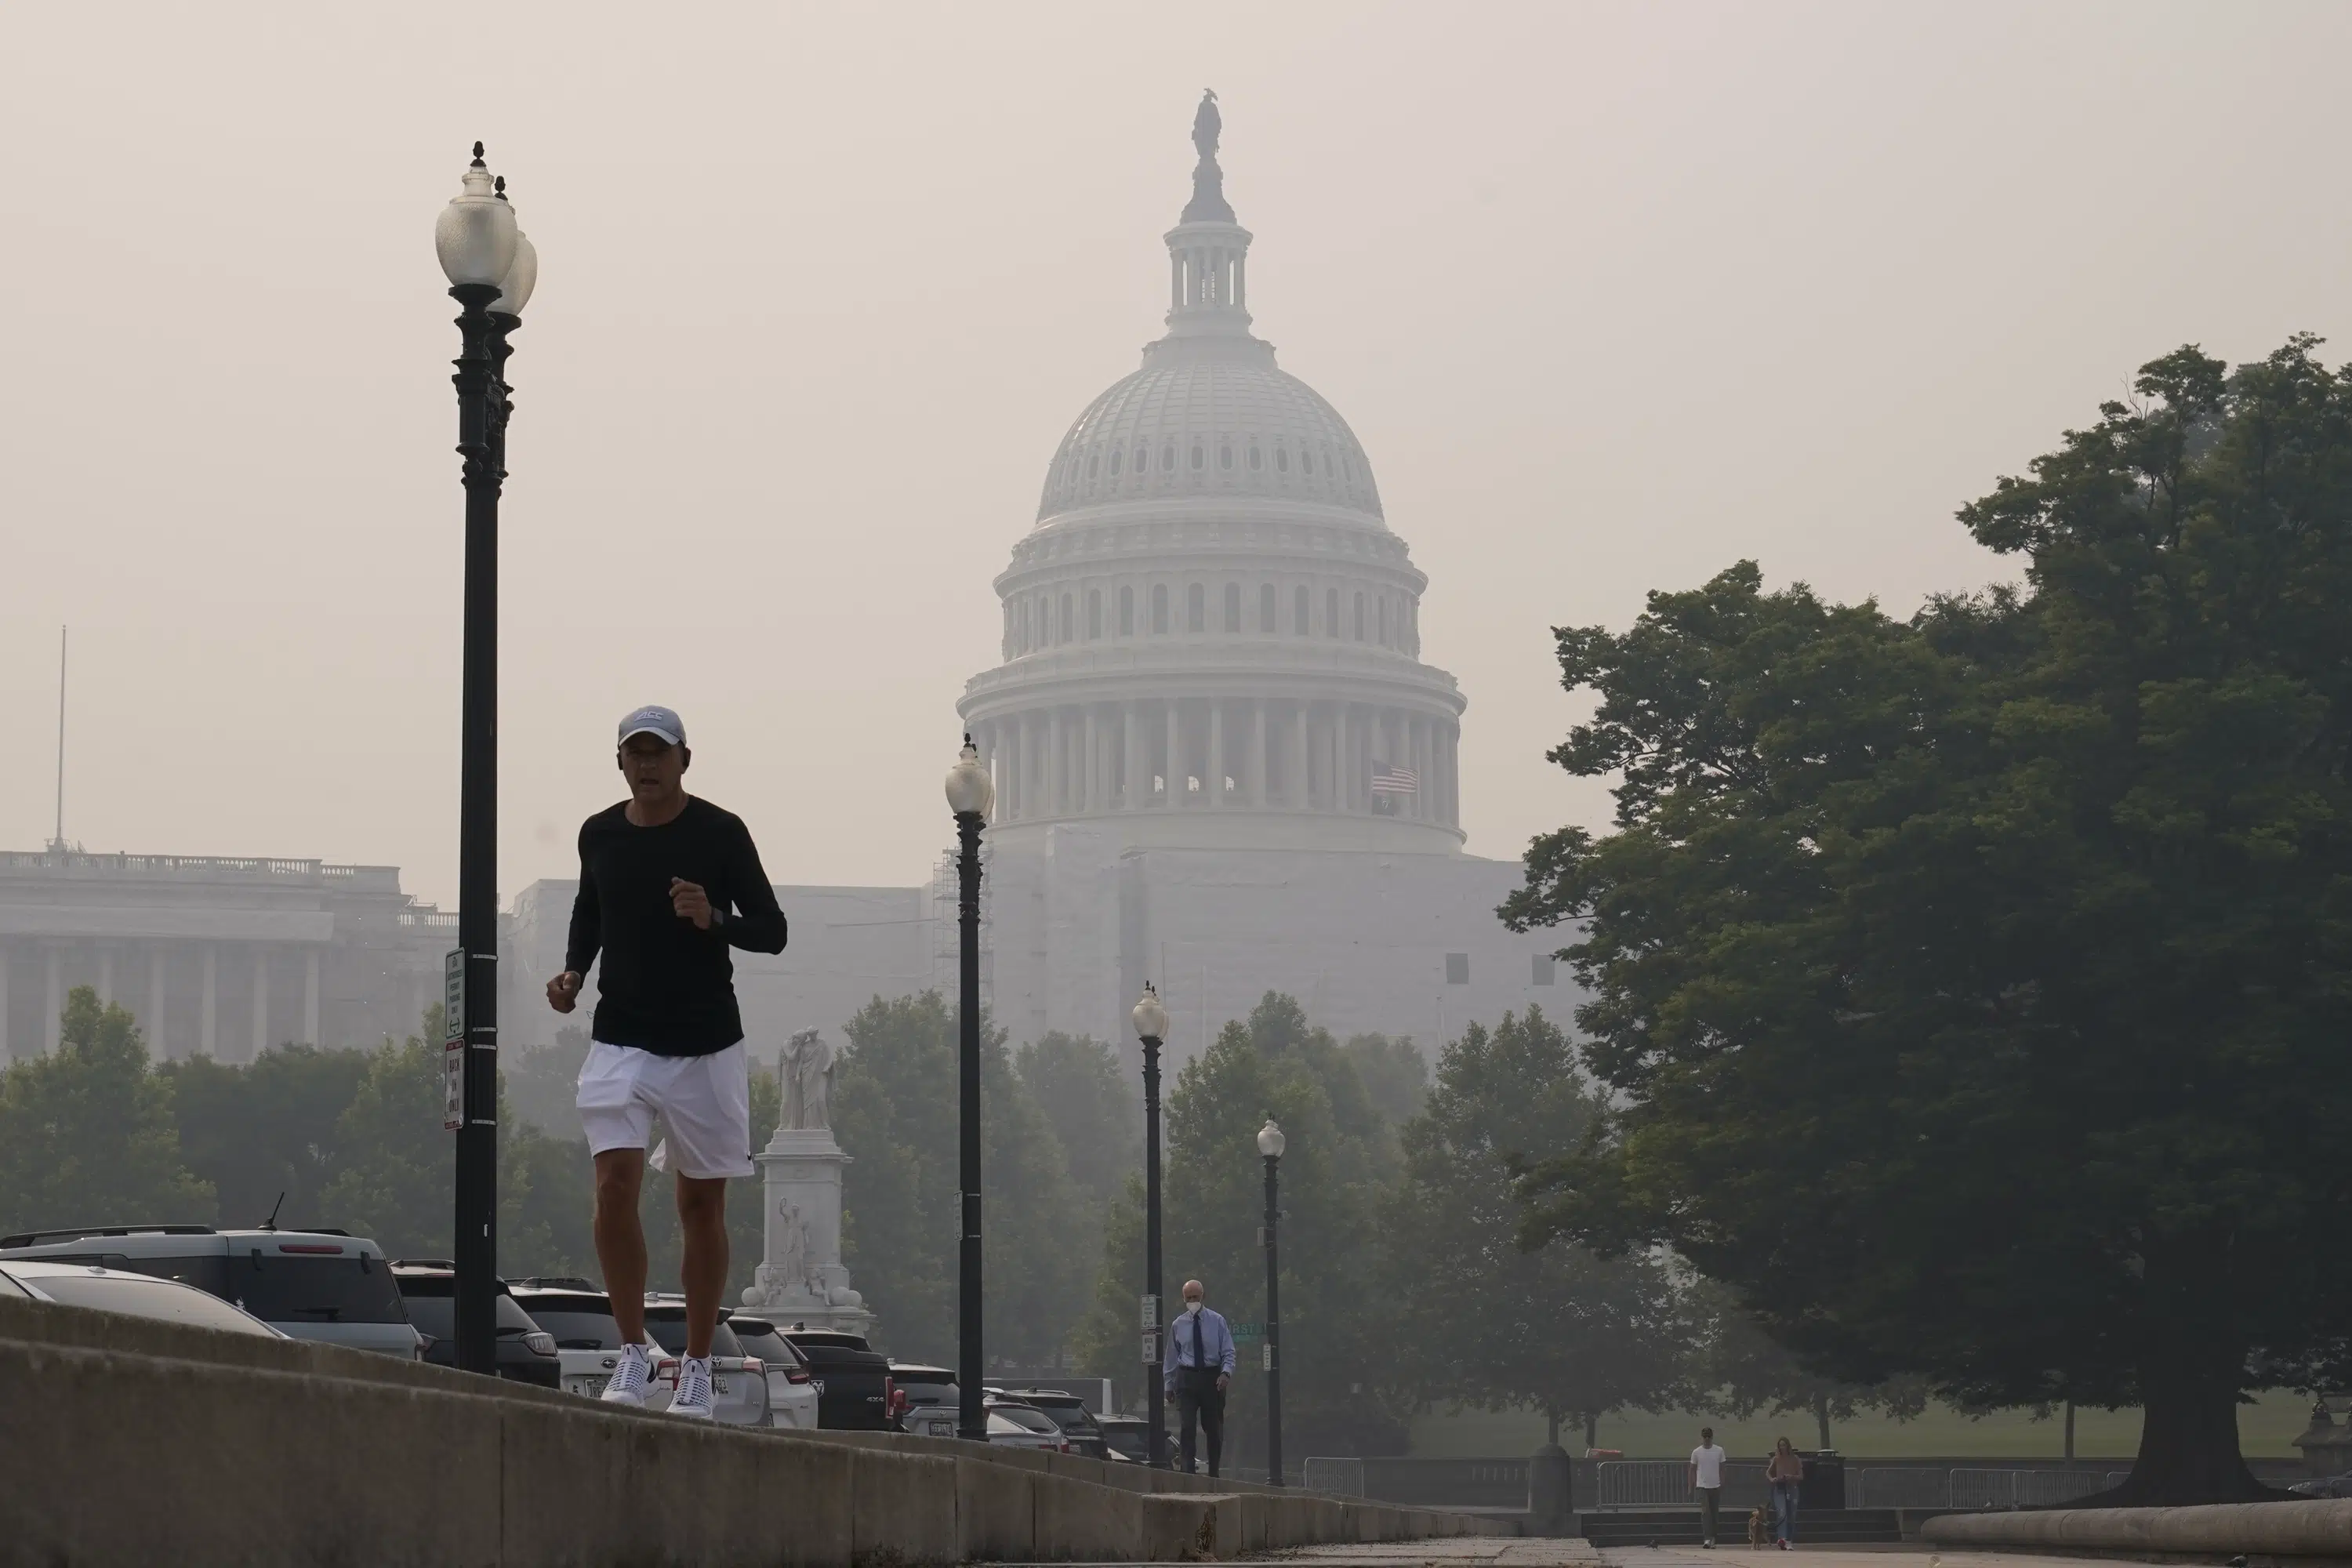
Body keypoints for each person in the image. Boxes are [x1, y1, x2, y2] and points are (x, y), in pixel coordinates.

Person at [546, 705, 787, 1419]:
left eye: (661, 754)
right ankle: (632, 1353)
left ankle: (699, 1364)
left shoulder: (721, 833)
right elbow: (590, 911)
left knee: (698, 1204)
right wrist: (571, 974)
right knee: (614, 1188)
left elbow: (772, 932)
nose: (648, 766)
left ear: (686, 760)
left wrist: (713, 918)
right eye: (635, 754)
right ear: (620, 762)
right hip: (620, 1039)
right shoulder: (601, 834)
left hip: (706, 1042)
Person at [1162, 1278, 1236, 1476]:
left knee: (1212, 1428)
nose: (1192, 1300)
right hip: (1187, 1377)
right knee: (1187, 1427)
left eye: (1195, 1297)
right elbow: (1171, 1356)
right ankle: (1188, 1472)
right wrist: (1168, 1385)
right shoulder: (1178, 1324)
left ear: (1203, 1296)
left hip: (1212, 1378)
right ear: (1183, 1299)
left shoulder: (1217, 1321)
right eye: (1189, 1298)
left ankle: (1213, 1472)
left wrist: (1225, 1373)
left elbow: (1228, 1351)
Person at [1689, 1425, 1727, 1548]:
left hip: (1715, 1485)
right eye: (1705, 1437)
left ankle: (1713, 1538)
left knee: (1714, 1513)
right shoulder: (1697, 1452)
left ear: (1712, 1437)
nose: (1707, 1439)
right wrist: (1692, 1486)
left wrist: (1722, 1482)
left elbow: (1722, 1468)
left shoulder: (1719, 1450)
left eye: (1709, 1437)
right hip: (1702, 1486)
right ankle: (1707, 1538)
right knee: (1706, 1512)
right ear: (1702, 1437)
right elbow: (1692, 1470)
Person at [1766, 1436, 1805, 1549]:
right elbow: (1768, 1472)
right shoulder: (1776, 1459)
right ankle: (1782, 1538)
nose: (1782, 1447)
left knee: (1792, 1515)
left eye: (1784, 1445)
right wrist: (1772, 1479)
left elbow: (1801, 1476)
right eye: (1780, 1445)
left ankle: (1789, 1540)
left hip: (1792, 1488)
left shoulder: (1795, 1459)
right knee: (1782, 1513)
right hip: (1779, 1488)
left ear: (1788, 1446)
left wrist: (1791, 1477)